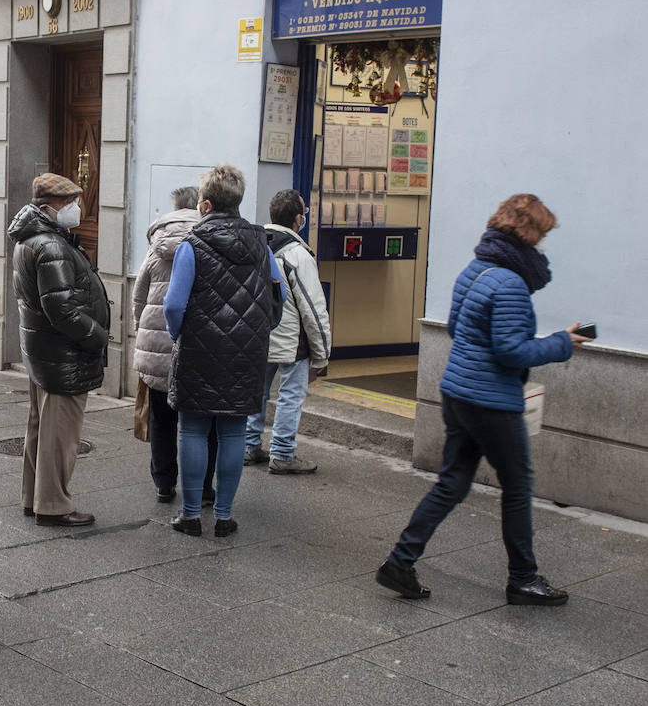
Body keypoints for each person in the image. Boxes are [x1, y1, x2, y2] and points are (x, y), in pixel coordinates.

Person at [377, 194, 587, 606]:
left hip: (458, 391)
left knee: (452, 482)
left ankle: (400, 562)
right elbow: (512, 351)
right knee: (518, 484)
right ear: (527, 233)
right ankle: (523, 579)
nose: (543, 244)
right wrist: (562, 343)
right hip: (490, 400)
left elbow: (457, 327)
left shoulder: (475, 269)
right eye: (541, 235)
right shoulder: (510, 283)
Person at [164, 164, 284, 538]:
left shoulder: (193, 244)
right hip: (247, 351)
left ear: (207, 204)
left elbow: (172, 305)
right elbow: (278, 294)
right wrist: (259, 328)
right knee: (233, 432)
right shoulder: (262, 243)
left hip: (200, 347)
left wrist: (177, 334)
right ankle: (225, 516)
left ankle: (189, 515)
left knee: (194, 430)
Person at [7, 172, 109, 527]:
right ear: (50, 208)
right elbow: (62, 309)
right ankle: (53, 504)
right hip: (63, 353)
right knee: (59, 433)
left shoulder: (33, 239)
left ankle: (34, 496)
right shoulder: (50, 245)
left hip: (44, 351)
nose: (78, 209)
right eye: (71, 204)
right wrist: (97, 336)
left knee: (40, 426)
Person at [132, 186, 218, 505]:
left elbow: (139, 295)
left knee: (161, 418)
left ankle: (164, 483)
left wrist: (142, 329)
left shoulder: (157, 245)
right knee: (202, 423)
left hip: (158, 344)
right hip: (198, 345)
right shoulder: (208, 241)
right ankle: (204, 487)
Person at [244, 189, 331, 474]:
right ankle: (282, 453)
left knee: (257, 393)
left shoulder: (253, 246)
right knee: (290, 396)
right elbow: (313, 309)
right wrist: (322, 356)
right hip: (291, 343)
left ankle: (249, 445)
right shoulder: (298, 255)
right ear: (297, 219)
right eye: (303, 214)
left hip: (257, 336)